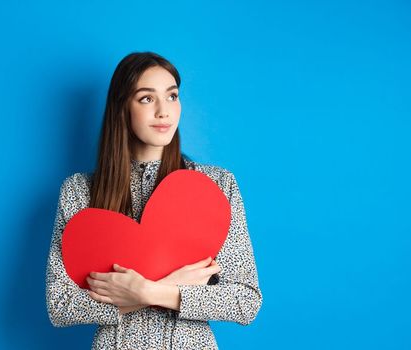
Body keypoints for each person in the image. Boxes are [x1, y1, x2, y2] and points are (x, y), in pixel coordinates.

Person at [45, 51, 262, 349]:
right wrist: (173, 283)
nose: (164, 111)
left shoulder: (217, 185)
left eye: (172, 96)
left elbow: (245, 300)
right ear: (123, 108)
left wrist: (147, 292)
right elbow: (60, 305)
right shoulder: (79, 192)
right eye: (147, 98)